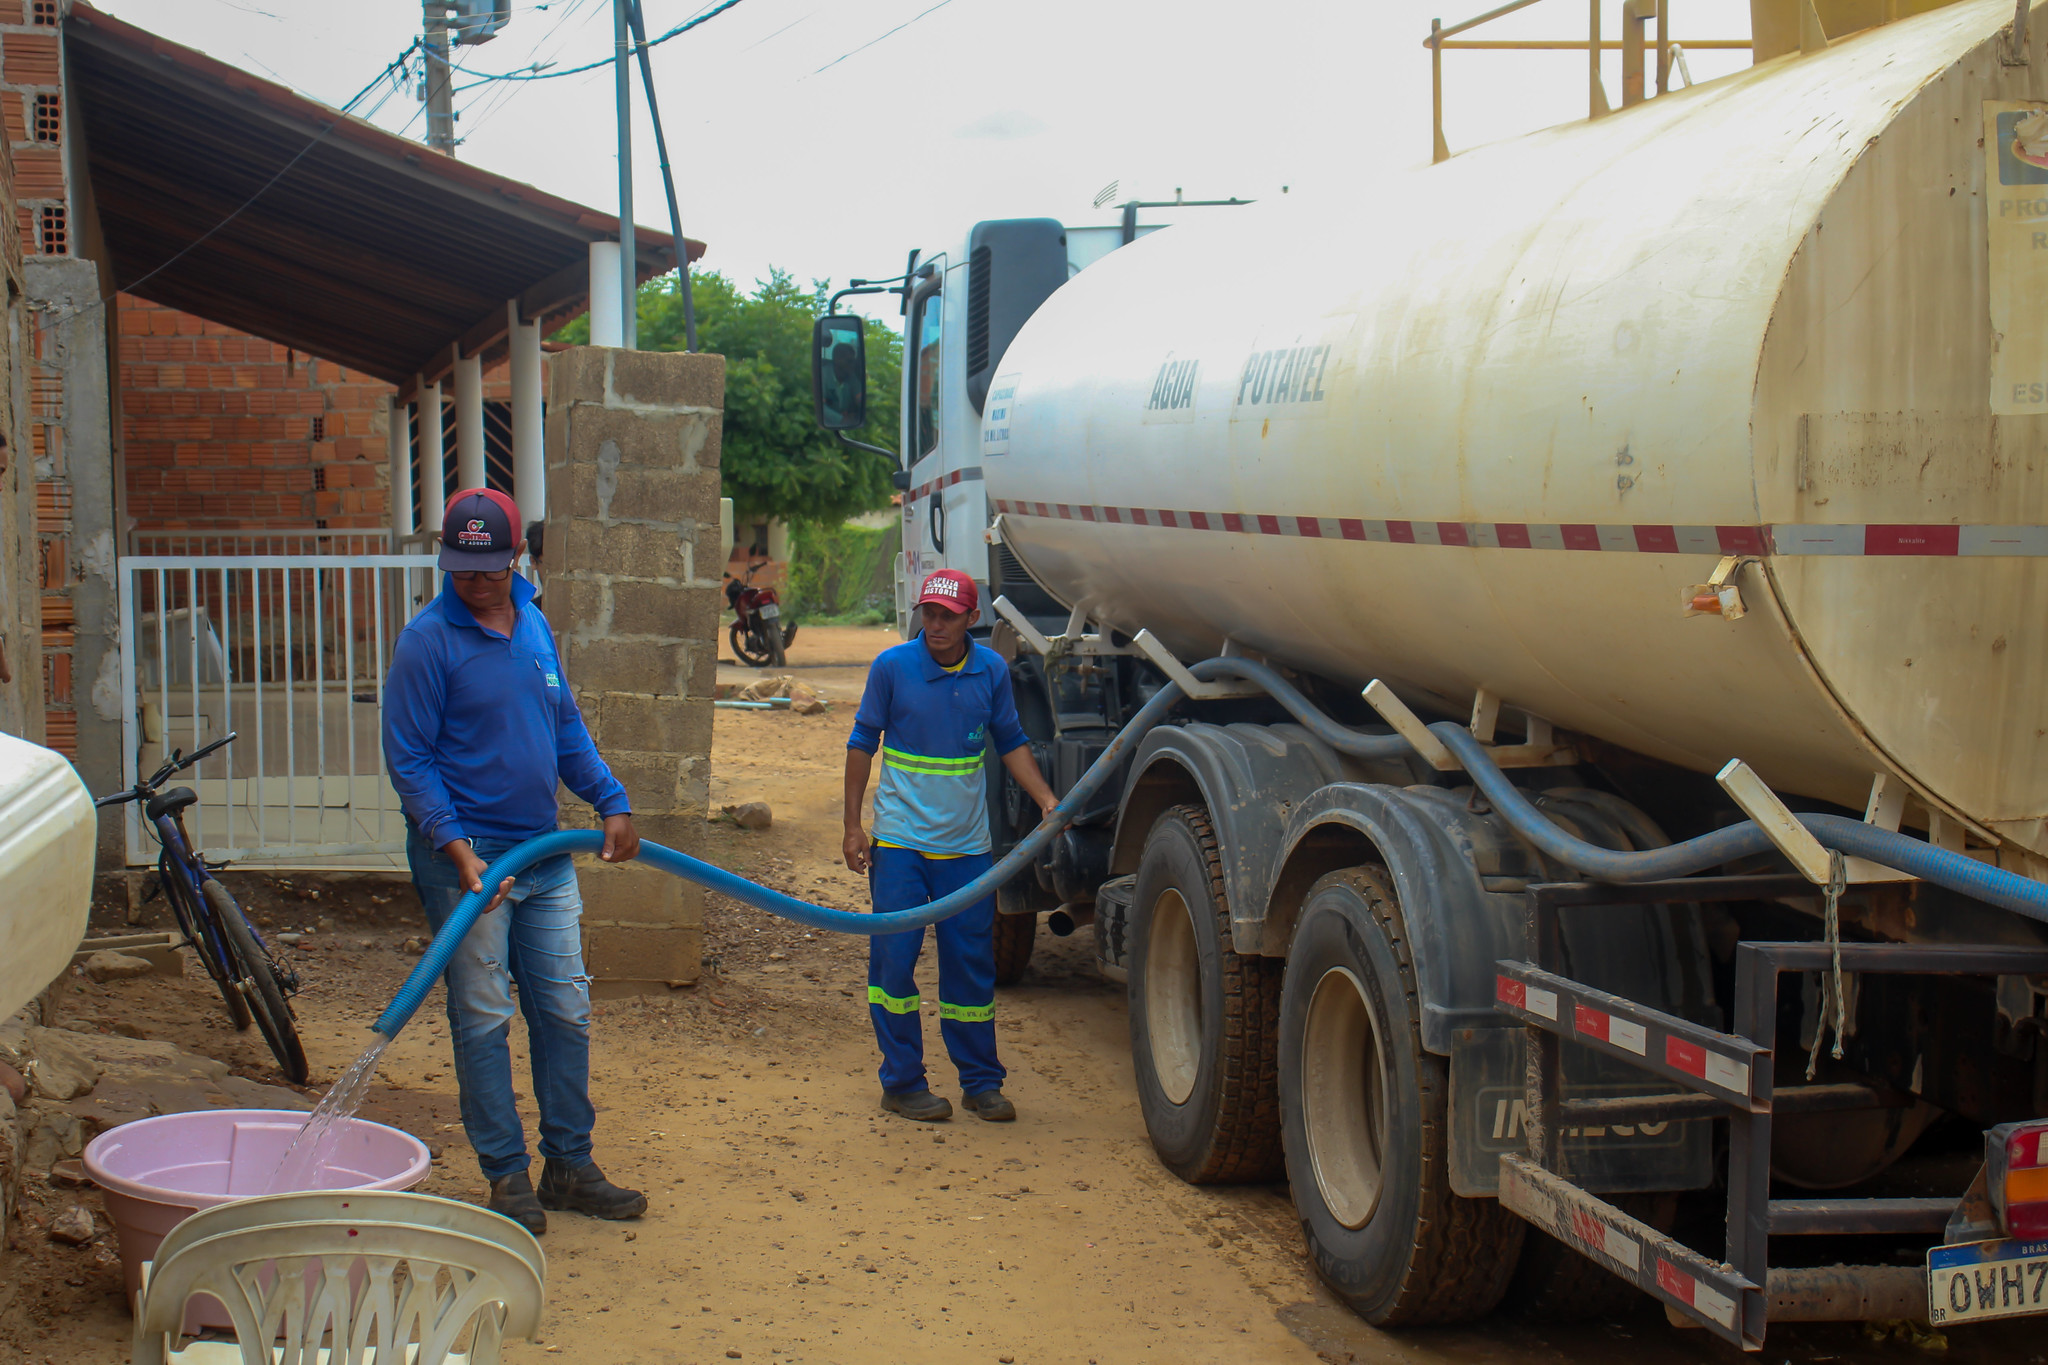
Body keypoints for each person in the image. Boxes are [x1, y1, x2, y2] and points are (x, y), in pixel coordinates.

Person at [383, 487, 646, 1234]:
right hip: (466, 860)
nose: (473, 581)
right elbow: (409, 758)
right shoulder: (427, 641)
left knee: (565, 1005)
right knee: (484, 1014)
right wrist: (454, 844)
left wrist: (610, 797)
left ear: (515, 559)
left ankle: (569, 1161)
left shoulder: (532, 621)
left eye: (488, 567)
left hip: (544, 851)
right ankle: (507, 1175)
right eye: (461, 568)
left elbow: (563, 724)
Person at [842, 569, 1059, 1122]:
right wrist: (852, 826)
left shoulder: (991, 670)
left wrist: (1046, 799)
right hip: (901, 846)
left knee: (970, 966)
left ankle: (981, 1082)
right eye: (928, 614)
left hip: (966, 850)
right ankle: (902, 1082)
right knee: (894, 963)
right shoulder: (892, 667)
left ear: (971, 620)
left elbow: (1009, 739)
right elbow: (862, 743)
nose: (934, 625)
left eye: (947, 616)